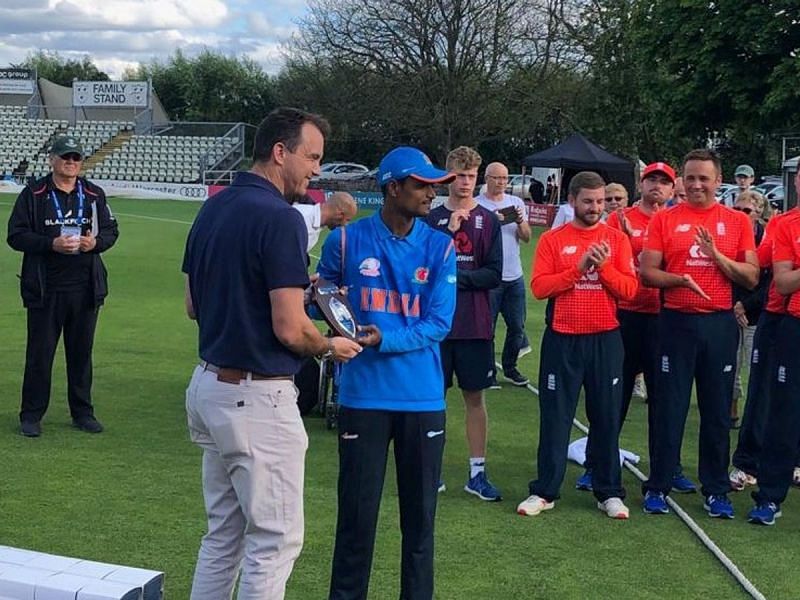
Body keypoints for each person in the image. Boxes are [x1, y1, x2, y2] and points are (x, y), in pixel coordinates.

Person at [182, 107, 362, 600]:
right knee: (275, 540)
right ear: (280, 152)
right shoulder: (280, 219)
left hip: (209, 385)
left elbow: (192, 305)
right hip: (256, 396)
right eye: (313, 157)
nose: (317, 170)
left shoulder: (212, 207)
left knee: (224, 536)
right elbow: (289, 329)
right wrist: (329, 345)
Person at [322, 146, 457, 600]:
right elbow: (321, 293)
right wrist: (329, 309)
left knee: (419, 528)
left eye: (435, 186)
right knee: (356, 524)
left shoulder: (440, 246)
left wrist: (384, 338)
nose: (431, 194)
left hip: (422, 400)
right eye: (422, 185)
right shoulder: (344, 241)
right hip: (363, 399)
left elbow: (438, 324)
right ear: (392, 188)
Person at [639, 149, 758, 519]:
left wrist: (716, 255)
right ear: (681, 182)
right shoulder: (665, 219)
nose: (695, 185)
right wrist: (682, 281)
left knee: (716, 412)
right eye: (689, 178)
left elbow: (752, 277)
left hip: (719, 324)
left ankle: (716, 489)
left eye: (703, 178)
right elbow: (647, 273)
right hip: (675, 322)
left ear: (718, 181)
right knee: (668, 407)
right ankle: (657, 485)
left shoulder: (736, 222)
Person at [517, 171, 637, 519]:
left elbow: (629, 291)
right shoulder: (555, 240)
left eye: (600, 201)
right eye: (588, 201)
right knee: (556, 417)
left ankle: (609, 492)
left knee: (606, 417)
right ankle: (545, 491)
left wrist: (603, 270)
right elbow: (540, 288)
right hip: (563, 340)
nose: (595, 208)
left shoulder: (616, 240)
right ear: (572, 201)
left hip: (605, 340)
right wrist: (578, 268)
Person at [577, 163, 697, 494]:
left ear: (673, 190)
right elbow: (609, 262)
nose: (657, 186)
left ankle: (669, 467)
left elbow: (677, 266)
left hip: (663, 317)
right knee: (613, 397)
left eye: (664, 182)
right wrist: (630, 245)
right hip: (625, 316)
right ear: (640, 185)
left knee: (665, 399)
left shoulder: (675, 221)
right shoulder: (618, 219)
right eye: (651, 180)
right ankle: (596, 464)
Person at [7, 135, 119, 438]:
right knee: (40, 356)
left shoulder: (94, 194)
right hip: (46, 289)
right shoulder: (34, 194)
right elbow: (15, 236)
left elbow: (110, 231)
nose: (71, 162)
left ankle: (82, 412)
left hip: (85, 288)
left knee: (81, 355)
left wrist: (95, 242)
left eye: (76, 158)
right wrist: (50, 244)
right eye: (65, 157)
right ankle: (31, 415)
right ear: (52, 160)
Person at [426, 146, 503, 502]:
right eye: (459, 175)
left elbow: (493, 273)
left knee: (476, 398)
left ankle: (477, 473)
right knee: (432, 399)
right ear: (448, 176)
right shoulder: (431, 218)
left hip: (474, 325)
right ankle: (430, 471)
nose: (465, 183)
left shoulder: (489, 220)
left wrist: (456, 278)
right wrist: (447, 238)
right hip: (436, 327)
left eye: (471, 176)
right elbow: (421, 270)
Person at [730, 192, 797, 492]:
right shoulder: (784, 224)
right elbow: (759, 270)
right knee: (764, 392)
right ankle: (748, 462)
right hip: (777, 316)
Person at [746, 169, 800, 526]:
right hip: (792, 324)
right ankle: (769, 496)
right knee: (784, 413)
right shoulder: (786, 224)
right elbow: (782, 281)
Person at [476, 161, 532, 387]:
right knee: (486, 328)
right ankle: (487, 371)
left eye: (504, 178)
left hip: (514, 275)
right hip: (490, 276)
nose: (501, 183)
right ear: (487, 178)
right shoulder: (478, 204)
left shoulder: (516, 202)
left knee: (517, 326)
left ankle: (510, 367)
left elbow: (526, 237)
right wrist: (493, 222)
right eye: (496, 178)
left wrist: (519, 220)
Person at [730, 191, 766, 429]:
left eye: (746, 210)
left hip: (757, 314)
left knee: (756, 369)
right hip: (732, 310)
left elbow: (769, 283)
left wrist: (746, 305)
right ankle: (731, 413)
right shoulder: (730, 236)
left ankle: (755, 418)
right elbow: (726, 274)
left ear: (759, 212)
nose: (740, 215)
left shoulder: (767, 237)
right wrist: (735, 306)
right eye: (737, 209)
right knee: (730, 365)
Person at [293, 191, 358, 251]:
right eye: (347, 220)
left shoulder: (317, 225)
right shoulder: (301, 217)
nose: (345, 224)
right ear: (339, 214)